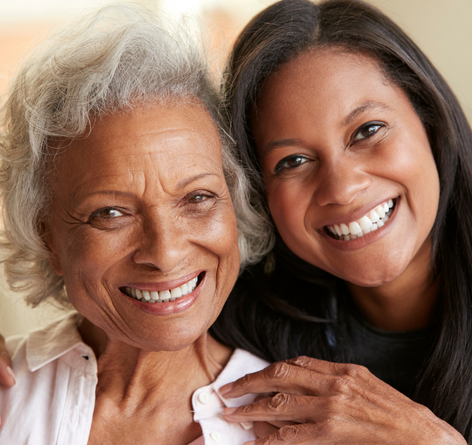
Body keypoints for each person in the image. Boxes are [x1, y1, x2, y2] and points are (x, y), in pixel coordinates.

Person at [0, 6, 274, 444]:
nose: (165, 253)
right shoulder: (7, 396)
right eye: (110, 213)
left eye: (198, 198)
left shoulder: (300, 421)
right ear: (48, 238)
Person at [209, 0, 472, 443]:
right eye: (292, 161)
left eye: (367, 131)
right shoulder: (241, 336)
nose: (342, 188)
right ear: (259, 194)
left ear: (429, 119)